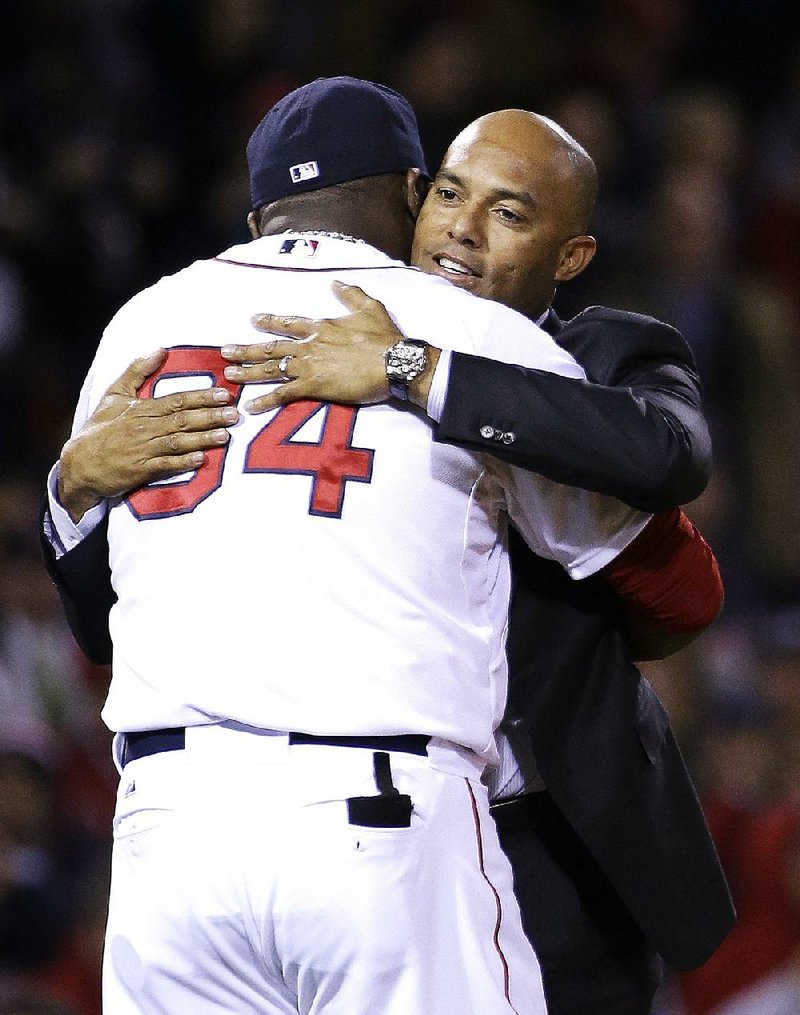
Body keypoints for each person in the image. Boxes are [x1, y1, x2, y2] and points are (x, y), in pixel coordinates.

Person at [38, 77, 693, 1015]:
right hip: (378, 816)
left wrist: (66, 493)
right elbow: (664, 571)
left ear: (259, 212)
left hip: (167, 831)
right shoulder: (467, 332)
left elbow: (104, 621)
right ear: (410, 193)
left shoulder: (142, 323)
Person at [198, 109, 740, 1013]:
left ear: (570, 257)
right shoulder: (322, 337)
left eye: (510, 213)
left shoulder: (601, 350)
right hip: (353, 822)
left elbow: (669, 455)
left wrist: (415, 368)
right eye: (449, 192)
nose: (462, 226)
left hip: (549, 835)